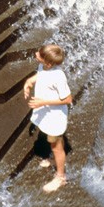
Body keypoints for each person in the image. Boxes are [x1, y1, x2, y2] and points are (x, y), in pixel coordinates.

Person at [24, 44, 72, 193]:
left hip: (55, 117)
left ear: (49, 63)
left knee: (56, 146)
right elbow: (40, 75)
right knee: (52, 140)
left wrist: (42, 102)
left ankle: (61, 177)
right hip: (47, 114)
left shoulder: (58, 76)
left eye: (39, 54)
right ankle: (56, 158)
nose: (36, 53)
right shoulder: (44, 67)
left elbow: (68, 99)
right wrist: (29, 82)